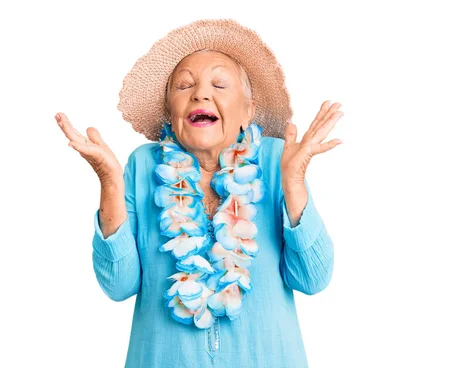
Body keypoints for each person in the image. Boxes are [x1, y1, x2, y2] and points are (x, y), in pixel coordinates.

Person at [55, 19, 343, 367]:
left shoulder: (276, 159)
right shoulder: (144, 165)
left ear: (247, 112)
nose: (200, 94)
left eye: (219, 84)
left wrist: (294, 183)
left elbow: (312, 279)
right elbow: (118, 285)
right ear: (171, 112)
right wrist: (110, 181)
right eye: (184, 86)